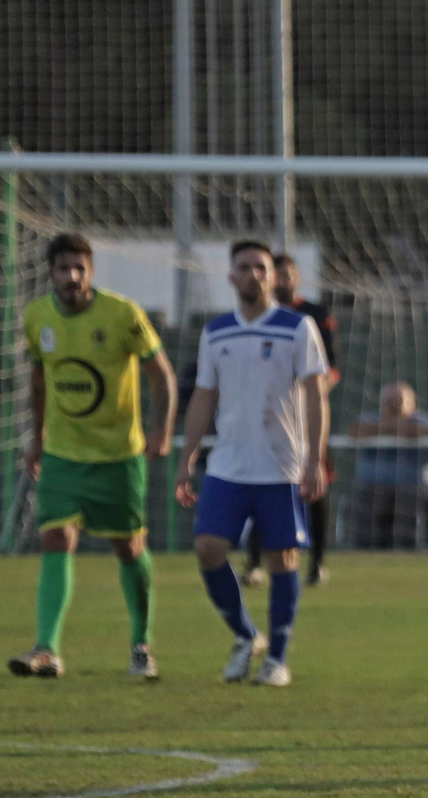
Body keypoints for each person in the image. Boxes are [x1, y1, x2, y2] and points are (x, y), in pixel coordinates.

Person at [8, 233, 177, 680]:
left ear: (92, 272)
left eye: (79, 268)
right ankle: (47, 649)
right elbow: (40, 380)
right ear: (51, 273)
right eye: (63, 268)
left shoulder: (122, 314)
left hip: (119, 455)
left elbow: (161, 374)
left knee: (129, 547)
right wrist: (38, 437)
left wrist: (163, 428)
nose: (72, 277)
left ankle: (141, 644)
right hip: (63, 455)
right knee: (56, 538)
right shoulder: (38, 317)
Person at [174, 240, 330, 686]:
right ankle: (246, 635)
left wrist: (315, 459)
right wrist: (188, 458)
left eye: (261, 267)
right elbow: (205, 396)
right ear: (231, 276)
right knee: (207, 547)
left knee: (282, 559)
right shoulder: (216, 331)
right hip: (227, 464)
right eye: (244, 267)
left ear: (273, 276)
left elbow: (317, 395)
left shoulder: (297, 327)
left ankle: (277, 659)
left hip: (281, 465)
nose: (253, 274)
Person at [244, 253, 341, 587]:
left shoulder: (313, 316)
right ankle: (254, 562)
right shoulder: (257, 317)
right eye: (278, 274)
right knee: (260, 485)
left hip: (307, 417)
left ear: (297, 277)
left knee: (315, 483)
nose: (283, 280)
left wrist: (308, 397)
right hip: (269, 418)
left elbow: (330, 370)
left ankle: (317, 563)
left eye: (289, 274)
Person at [348, 382, 428, 550]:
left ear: (412, 403)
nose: (393, 406)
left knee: (409, 502)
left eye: (399, 401)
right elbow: (355, 431)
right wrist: (393, 428)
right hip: (372, 486)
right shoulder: (369, 418)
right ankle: (364, 549)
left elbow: (419, 431)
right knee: (369, 499)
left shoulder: (424, 420)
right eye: (389, 401)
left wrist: (382, 429)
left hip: (413, 487)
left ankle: (407, 549)